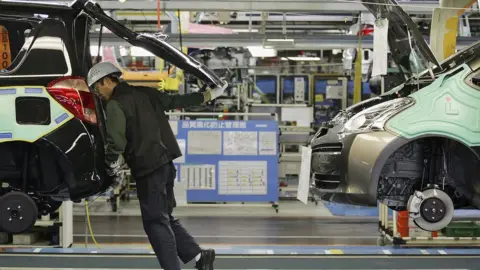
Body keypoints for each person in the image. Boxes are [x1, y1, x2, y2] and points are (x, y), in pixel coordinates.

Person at [87, 61, 227, 270]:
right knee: (164, 216)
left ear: (107, 80)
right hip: (166, 164)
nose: (98, 93)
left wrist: (111, 163)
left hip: (147, 167)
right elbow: (176, 100)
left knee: (155, 222)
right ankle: (199, 257)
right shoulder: (146, 93)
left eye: (97, 87)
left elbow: (116, 142)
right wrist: (210, 95)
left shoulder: (115, 104)